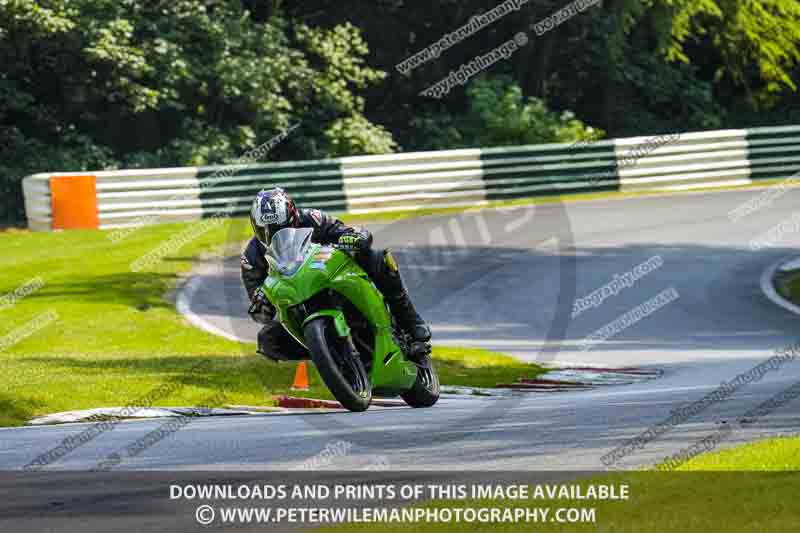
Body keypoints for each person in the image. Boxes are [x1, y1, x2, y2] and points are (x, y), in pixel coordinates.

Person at [240, 187, 431, 363]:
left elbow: (344, 232)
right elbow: (260, 304)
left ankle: (410, 320)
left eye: (279, 228)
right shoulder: (251, 257)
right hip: (297, 303)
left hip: (328, 276)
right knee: (267, 340)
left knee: (377, 258)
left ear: (293, 216)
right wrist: (261, 301)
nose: (272, 234)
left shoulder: (312, 219)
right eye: (265, 230)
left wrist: (354, 237)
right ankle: (328, 356)